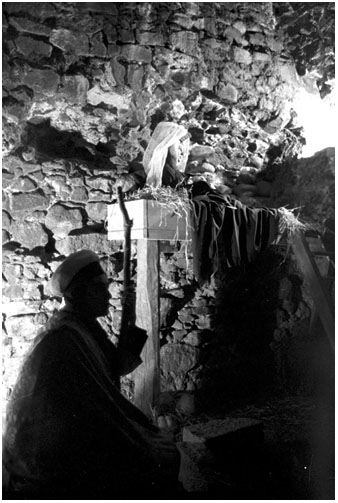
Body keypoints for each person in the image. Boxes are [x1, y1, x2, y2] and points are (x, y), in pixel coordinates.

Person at [3, 250, 181, 499]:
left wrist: (129, 316)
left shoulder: (83, 325)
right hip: (44, 460)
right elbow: (93, 411)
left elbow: (118, 366)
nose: (109, 294)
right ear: (78, 294)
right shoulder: (64, 337)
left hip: (67, 441)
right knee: (153, 460)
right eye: (100, 288)